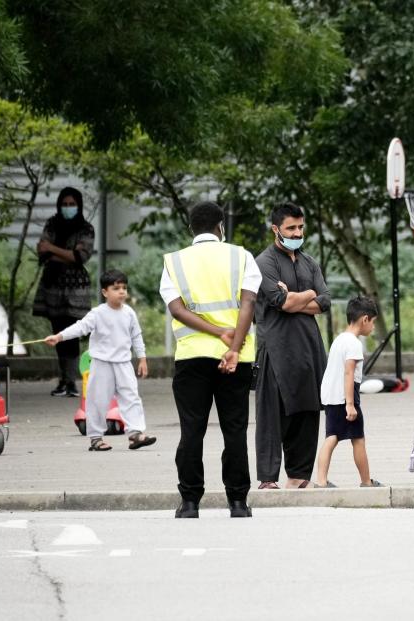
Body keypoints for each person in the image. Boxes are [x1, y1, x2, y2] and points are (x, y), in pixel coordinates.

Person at [160, 201, 260, 518]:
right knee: (234, 430)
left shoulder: (174, 262)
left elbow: (177, 310)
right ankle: (238, 502)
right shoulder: (241, 257)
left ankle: (190, 502)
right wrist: (232, 344)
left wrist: (215, 332)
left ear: (191, 228)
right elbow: (249, 303)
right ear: (220, 226)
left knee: (192, 430)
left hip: (191, 358)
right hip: (236, 358)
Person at [254, 203, 330, 490]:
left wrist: (300, 297)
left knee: (308, 412)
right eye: (291, 228)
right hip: (276, 349)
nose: (297, 233)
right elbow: (280, 301)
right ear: (276, 229)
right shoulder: (265, 262)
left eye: (300, 227)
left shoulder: (309, 262)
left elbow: (324, 301)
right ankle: (268, 479)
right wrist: (308, 295)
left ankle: (299, 477)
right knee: (272, 415)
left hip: (308, 349)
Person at [44, 269, 156, 452]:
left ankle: (136, 434)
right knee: (97, 400)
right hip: (101, 363)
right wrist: (60, 336)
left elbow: (137, 337)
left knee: (131, 397)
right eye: (116, 288)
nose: (121, 292)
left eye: (124, 288)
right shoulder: (97, 313)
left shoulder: (129, 313)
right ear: (105, 292)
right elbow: (80, 328)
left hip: (124, 363)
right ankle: (96, 438)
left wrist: (142, 358)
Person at [33, 187, 96, 397]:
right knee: (58, 332)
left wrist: (53, 249)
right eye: (65, 204)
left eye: (72, 204)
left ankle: (72, 380)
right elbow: (42, 249)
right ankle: (63, 380)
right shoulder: (52, 223)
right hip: (53, 286)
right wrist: (63, 253)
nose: (68, 208)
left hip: (76, 289)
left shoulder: (86, 228)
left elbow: (80, 256)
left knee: (73, 333)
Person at [314, 296, 382, 488]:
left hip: (331, 396)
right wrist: (350, 404)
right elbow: (349, 372)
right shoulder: (353, 343)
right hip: (345, 397)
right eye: (374, 323)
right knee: (357, 438)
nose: (373, 327)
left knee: (333, 436)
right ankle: (366, 482)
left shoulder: (339, 339)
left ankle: (321, 481)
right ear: (365, 319)